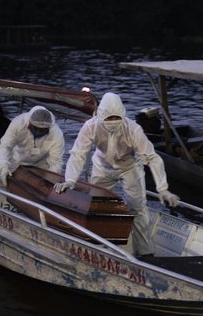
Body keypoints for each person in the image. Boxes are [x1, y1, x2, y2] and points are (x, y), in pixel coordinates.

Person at [53, 92, 180, 256]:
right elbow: (78, 154)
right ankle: (98, 244)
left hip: (129, 166)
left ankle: (145, 251)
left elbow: (152, 158)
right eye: (109, 119)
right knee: (96, 206)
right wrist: (70, 180)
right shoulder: (90, 126)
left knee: (138, 207)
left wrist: (162, 188)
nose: (113, 123)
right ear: (100, 116)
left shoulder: (133, 129)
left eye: (116, 119)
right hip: (102, 166)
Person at [0, 106, 64, 187]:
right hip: (16, 161)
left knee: (43, 186)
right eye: (35, 128)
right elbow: (5, 146)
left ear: (48, 128)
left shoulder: (57, 134)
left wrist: (51, 180)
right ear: (29, 123)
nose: (38, 131)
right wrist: (4, 166)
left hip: (41, 164)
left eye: (42, 130)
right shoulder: (18, 123)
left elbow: (55, 162)